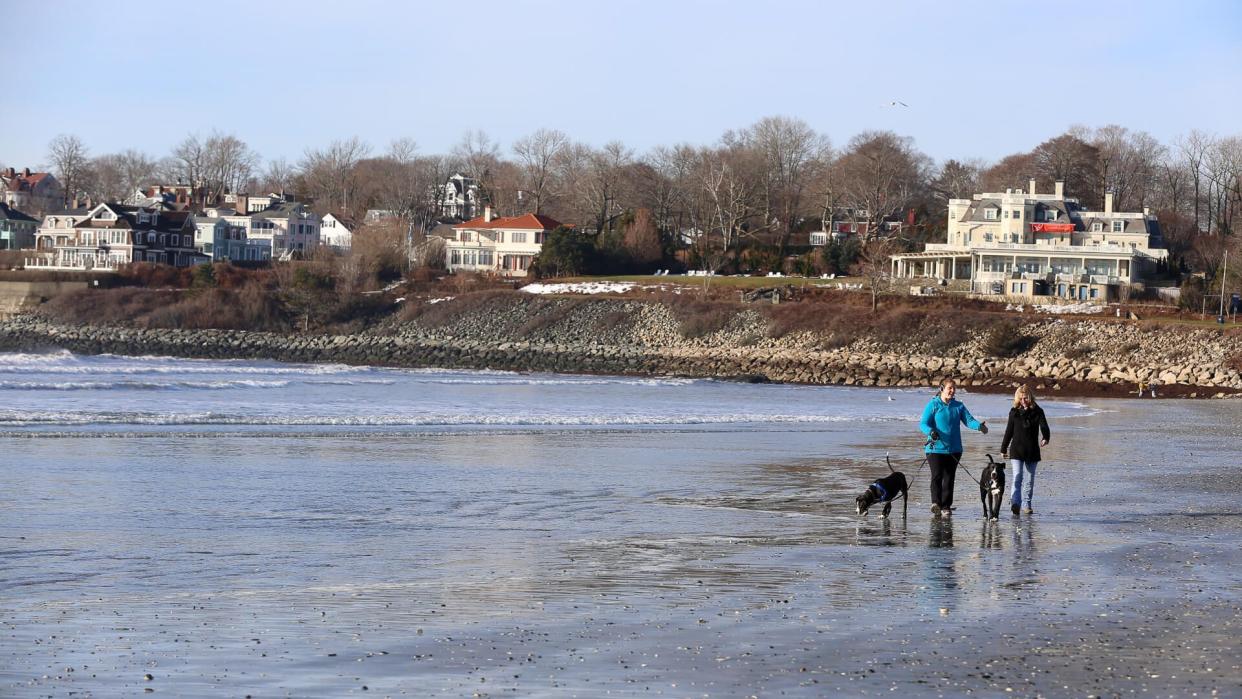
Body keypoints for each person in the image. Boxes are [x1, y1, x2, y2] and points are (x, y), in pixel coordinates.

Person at [919, 378, 988, 517]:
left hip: (954, 449)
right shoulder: (933, 405)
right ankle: (935, 504)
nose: (952, 390)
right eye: (950, 388)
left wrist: (979, 426)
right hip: (935, 448)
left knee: (949, 477)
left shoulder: (959, 406)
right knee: (937, 476)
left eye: (954, 388)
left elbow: (969, 420)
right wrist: (931, 432)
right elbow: (923, 424)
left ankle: (946, 506)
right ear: (941, 389)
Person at [1000, 384, 1050, 515]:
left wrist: (1045, 438)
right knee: (1017, 477)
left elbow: (1044, 426)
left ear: (1030, 397)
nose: (1023, 401)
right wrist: (1003, 448)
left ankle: (1026, 504)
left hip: (1032, 451)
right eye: (1020, 398)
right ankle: (1015, 503)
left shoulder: (1038, 411)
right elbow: (1008, 431)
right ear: (1017, 399)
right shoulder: (1014, 412)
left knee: (1029, 479)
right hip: (1016, 450)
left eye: (1026, 398)